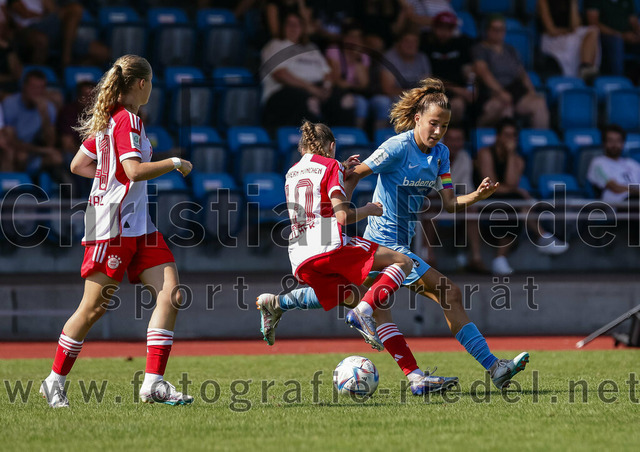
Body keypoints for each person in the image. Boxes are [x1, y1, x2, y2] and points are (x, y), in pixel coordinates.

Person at [258, 78, 530, 392]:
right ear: (417, 118)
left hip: (396, 242)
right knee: (449, 293)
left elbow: (449, 204)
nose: (438, 131)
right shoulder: (397, 147)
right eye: (433, 123)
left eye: (444, 126)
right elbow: (354, 174)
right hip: (383, 242)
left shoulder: (441, 154)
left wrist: (478, 196)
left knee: (367, 305)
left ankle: (415, 378)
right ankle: (494, 367)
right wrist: (341, 219)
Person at [260, 119, 459, 395]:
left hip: (300, 256)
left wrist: (341, 169)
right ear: (332, 146)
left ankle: (415, 378)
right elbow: (342, 216)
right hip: (329, 246)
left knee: (371, 303)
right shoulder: (330, 166)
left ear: (303, 147)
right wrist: (369, 209)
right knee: (402, 262)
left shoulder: (291, 172)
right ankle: (361, 313)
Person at [39, 55, 194, 408]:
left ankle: (153, 383)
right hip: (111, 221)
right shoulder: (127, 120)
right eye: (151, 83)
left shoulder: (111, 118)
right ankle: (54, 380)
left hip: (138, 223)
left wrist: (107, 176)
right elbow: (134, 171)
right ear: (142, 83)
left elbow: (78, 164)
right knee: (92, 308)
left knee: (171, 294)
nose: (152, 89)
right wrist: (174, 162)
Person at [475, 118, 569, 276]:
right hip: (483, 200)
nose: (510, 139)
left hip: (508, 202)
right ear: (498, 136)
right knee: (518, 201)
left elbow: (511, 182)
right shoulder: (485, 153)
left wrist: (511, 154)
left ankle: (500, 259)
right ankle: (542, 237)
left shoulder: (517, 160)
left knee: (515, 209)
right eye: (507, 135)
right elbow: (489, 186)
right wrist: (518, 192)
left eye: (513, 136)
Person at [260, 12, 355, 131]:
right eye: (290, 24)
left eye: (297, 25)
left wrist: (326, 88)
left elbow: (327, 73)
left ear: (302, 28)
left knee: (346, 100)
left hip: (316, 89)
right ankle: (313, 141)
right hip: (283, 92)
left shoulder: (311, 48)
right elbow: (280, 74)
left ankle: (341, 139)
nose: (294, 28)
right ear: (282, 27)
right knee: (311, 101)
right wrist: (311, 89)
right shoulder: (275, 45)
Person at [421, 126, 488, 273]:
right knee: (431, 207)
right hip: (430, 201)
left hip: (452, 200)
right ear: (444, 141)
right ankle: (427, 256)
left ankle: (476, 258)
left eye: (459, 140)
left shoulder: (464, 158)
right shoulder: (432, 156)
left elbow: (466, 190)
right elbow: (428, 192)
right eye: (451, 139)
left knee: (471, 209)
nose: (455, 144)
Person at [472, 15, 549, 128]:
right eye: (495, 29)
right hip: (491, 92)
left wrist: (531, 91)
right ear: (487, 30)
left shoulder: (510, 50)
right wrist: (500, 92)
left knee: (539, 103)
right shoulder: (480, 49)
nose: (498, 33)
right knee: (505, 108)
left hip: (514, 90)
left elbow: (521, 73)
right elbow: (483, 73)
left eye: (501, 29)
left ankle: (539, 138)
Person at [1, 68, 67, 181]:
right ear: (24, 87)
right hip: (16, 150)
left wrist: (44, 116)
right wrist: (42, 150)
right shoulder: (10, 104)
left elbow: (50, 143)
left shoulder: (48, 107)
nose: (37, 92)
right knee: (21, 156)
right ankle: (18, 185)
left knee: (56, 158)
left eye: (41, 88)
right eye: (33, 87)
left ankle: (41, 185)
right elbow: (10, 141)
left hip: (33, 152)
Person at [422, 11, 474, 126]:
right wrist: (457, 89)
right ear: (434, 28)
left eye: (449, 28)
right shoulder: (426, 45)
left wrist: (472, 87)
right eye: (441, 28)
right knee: (454, 105)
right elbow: (427, 76)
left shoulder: (461, 44)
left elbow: (468, 71)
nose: (444, 32)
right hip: (435, 90)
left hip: (459, 90)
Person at [538, 0, 600, 80]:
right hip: (551, 39)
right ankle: (572, 75)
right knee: (572, 41)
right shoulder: (543, 1)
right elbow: (551, 30)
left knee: (593, 30)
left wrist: (573, 3)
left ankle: (585, 67)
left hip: (568, 35)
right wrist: (569, 31)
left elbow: (575, 26)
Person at [585, 0, 640, 76]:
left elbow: (633, 21)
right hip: (604, 36)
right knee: (617, 41)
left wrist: (637, 33)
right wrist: (621, 35)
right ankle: (618, 79)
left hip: (628, 36)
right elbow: (593, 23)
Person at [588, 124, 640, 203]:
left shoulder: (631, 163)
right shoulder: (598, 163)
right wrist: (636, 191)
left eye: (618, 141)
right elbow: (614, 187)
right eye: (610, 141)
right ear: (604, 143)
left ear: (623, 143)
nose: (614, 145)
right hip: (619, 203)